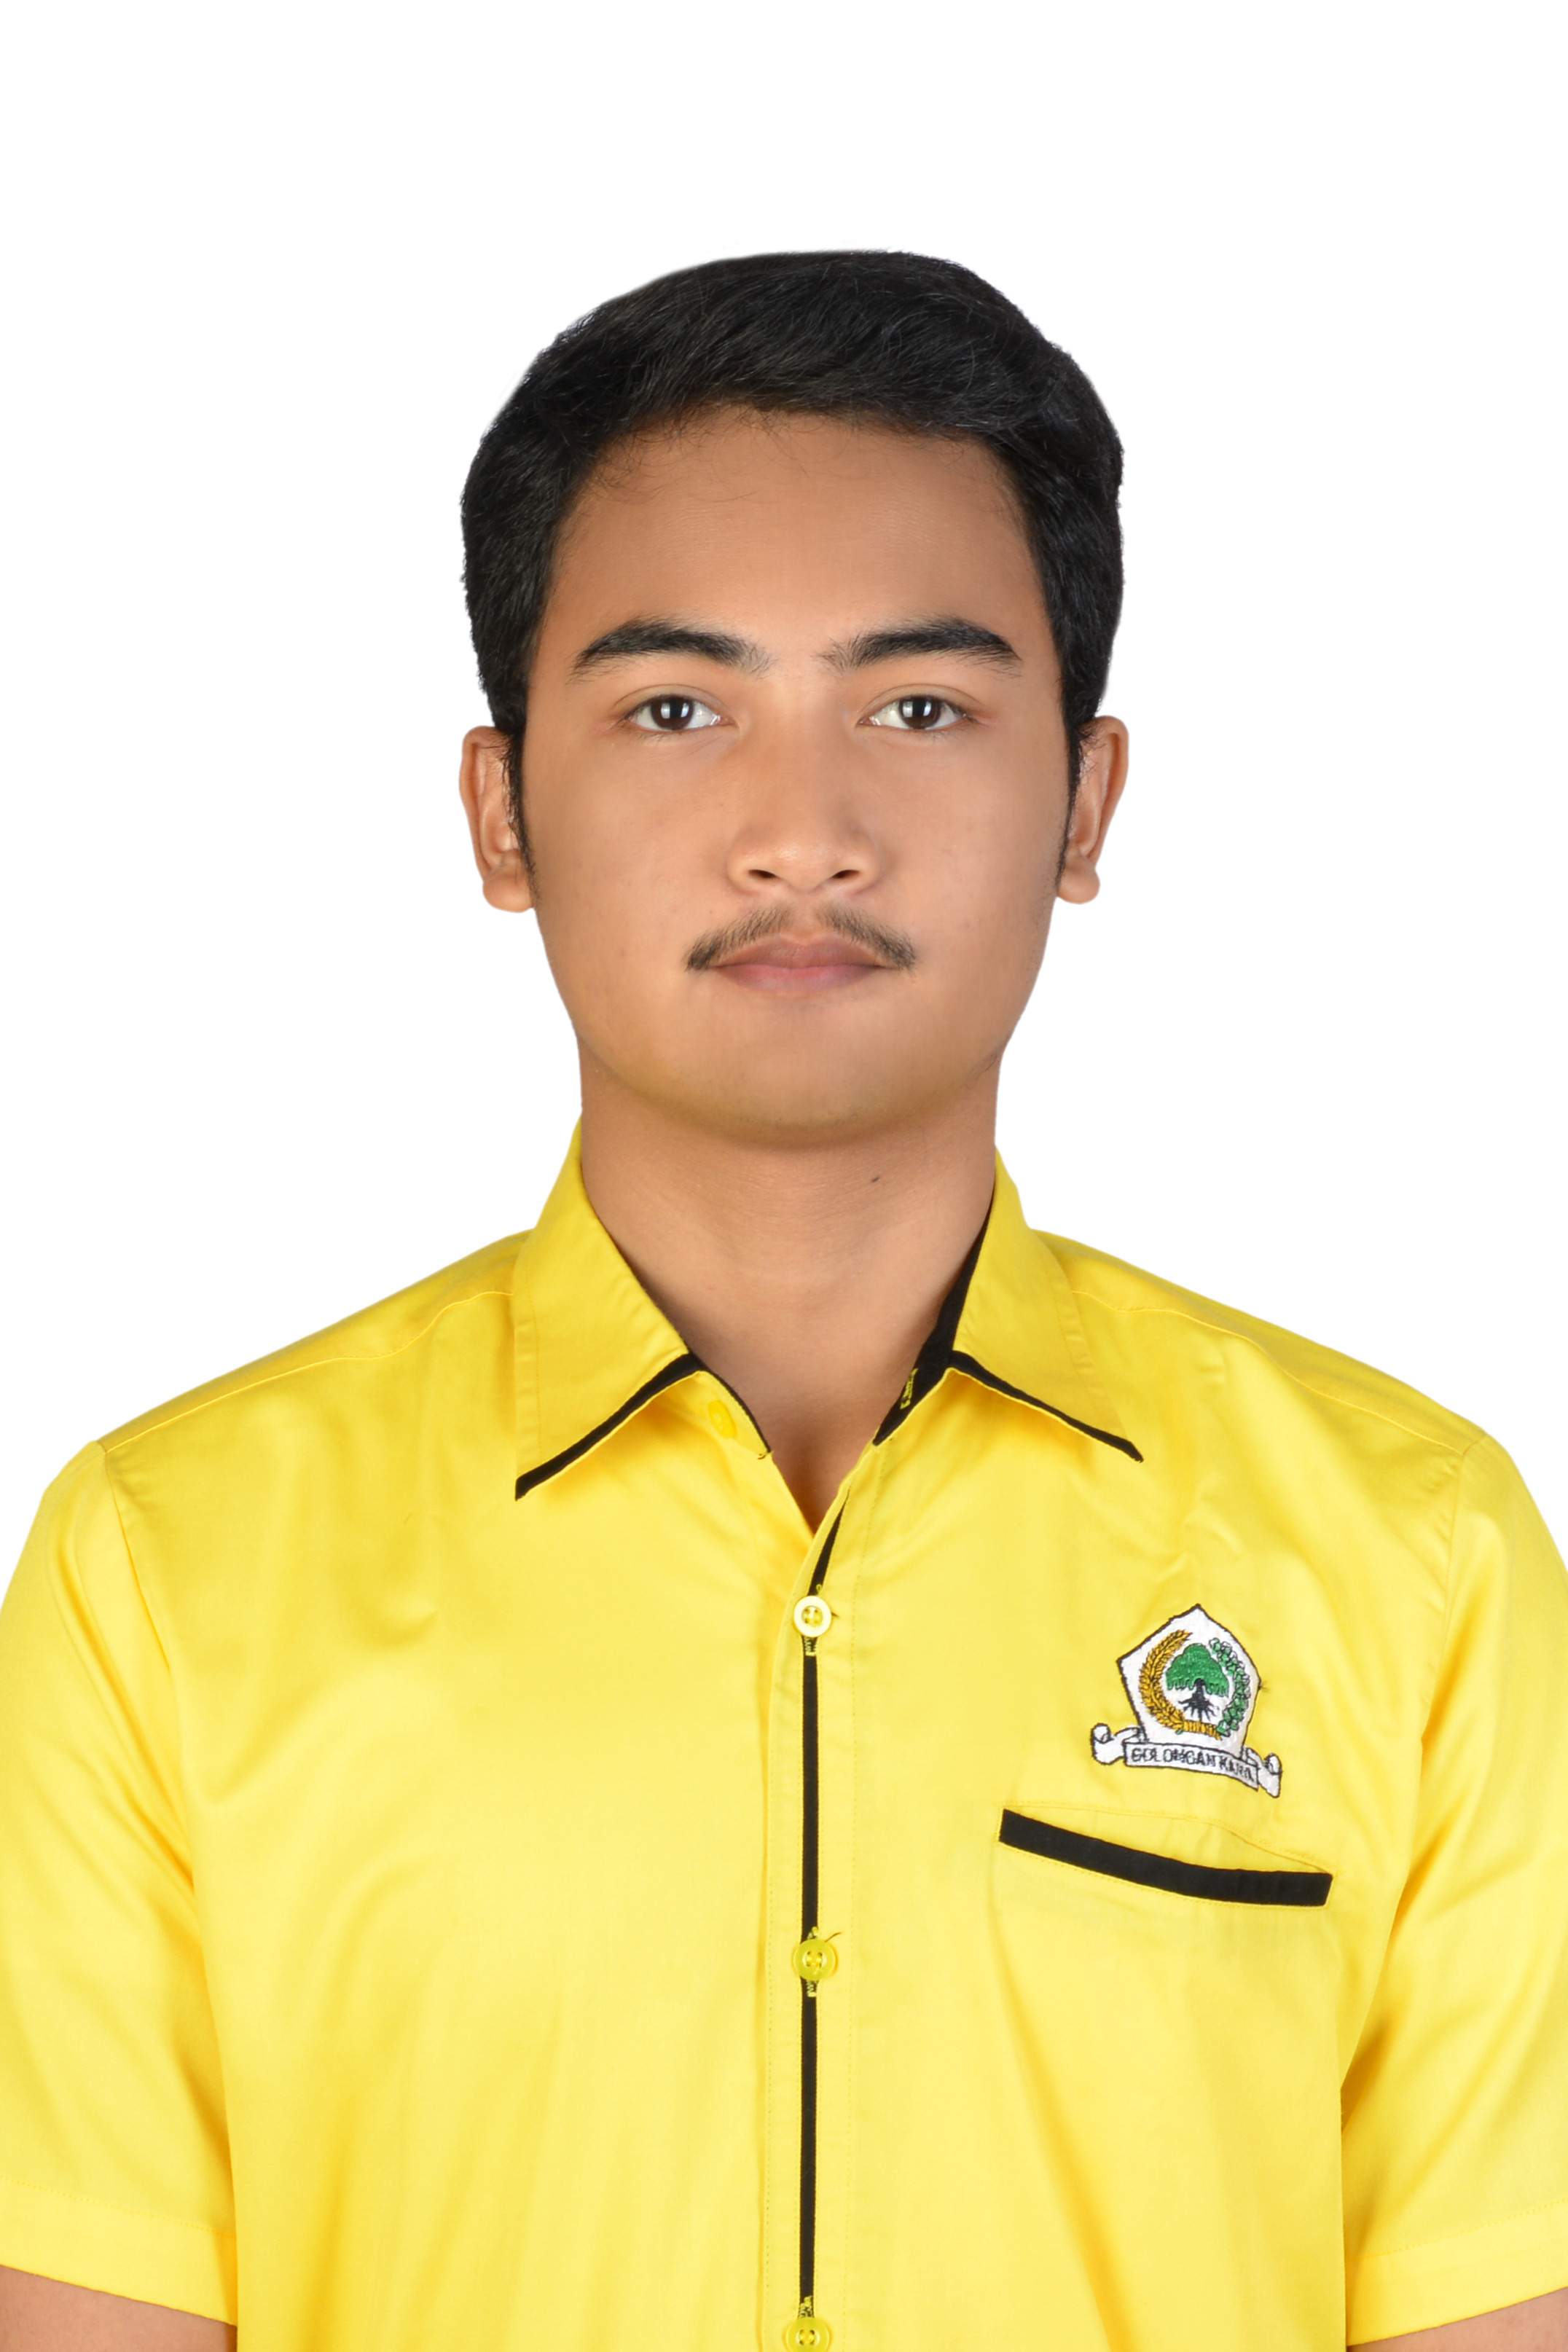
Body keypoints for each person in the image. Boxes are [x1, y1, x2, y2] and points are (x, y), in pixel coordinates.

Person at [1, 251, 1564, 2352]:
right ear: (500, 812)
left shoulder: (1419, 1556)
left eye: (918, 708)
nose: (802, 835)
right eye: (676, 708)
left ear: (1087, 799)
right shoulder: (166, 1571)